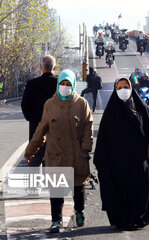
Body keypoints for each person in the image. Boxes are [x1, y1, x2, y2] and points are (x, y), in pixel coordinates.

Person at [24, 69, 93, 233]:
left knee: (78, 187)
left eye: (68, 84)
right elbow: (41, 130)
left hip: (77, 154)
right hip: (56, 154)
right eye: (62, 83)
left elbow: (88, 127)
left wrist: (86, 148)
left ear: (73, 85)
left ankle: (79, 212)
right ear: (58, 84)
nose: (65, 87)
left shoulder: (81, 103)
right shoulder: (50, 104)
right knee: (56, 190)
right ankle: (56, 220)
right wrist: (30, 151)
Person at [94, 77, 149, 231]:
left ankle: (138, 217)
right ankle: (123, 219)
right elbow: (103, 138)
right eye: (119, 87)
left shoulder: (141, 107)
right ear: (115, 90)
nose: (123, 90)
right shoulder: (111, 112)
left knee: (141, 186)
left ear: (131, 88)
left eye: (125, 86)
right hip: (117, 161)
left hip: (139, 157)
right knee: (120, 189)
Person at [21, 55, 58, 166]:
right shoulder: (60, 83)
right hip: (56, 130)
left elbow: (25, 105)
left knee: (35, 161)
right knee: (55, 164)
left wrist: (32, 118)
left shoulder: (31, 84)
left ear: (41, 67)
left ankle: (36, 182)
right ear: (54, 68)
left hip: (36, 128)